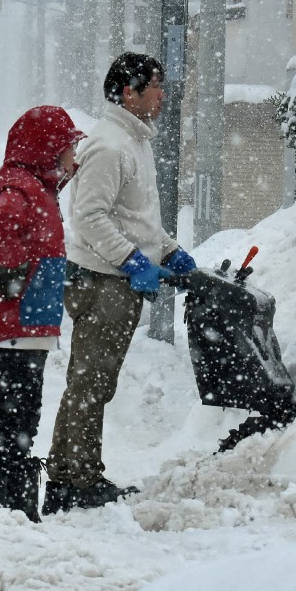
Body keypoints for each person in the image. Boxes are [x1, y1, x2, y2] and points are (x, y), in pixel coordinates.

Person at [43, 52, 196, 515]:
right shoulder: (110, 145)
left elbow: (136, 218)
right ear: (128, 92)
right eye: (154, 86)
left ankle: (68, 473)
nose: (162, 95)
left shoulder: (133, 142)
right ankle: (77, 480)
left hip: (116, 278)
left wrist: (167, 250)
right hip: (102, 280)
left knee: (89, 382)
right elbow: (89, 216)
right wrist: (132, 260)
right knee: (91, 383)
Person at [0, 105, 84, 523]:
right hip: (19, 318)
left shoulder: (35, 184)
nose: (74, 156)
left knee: (22, 406)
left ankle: (5, 481)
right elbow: (3, 220)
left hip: (30, 318)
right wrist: (11, 271)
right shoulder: (18, 185)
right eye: (69, 147)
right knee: (15, 406)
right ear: (48, 148)